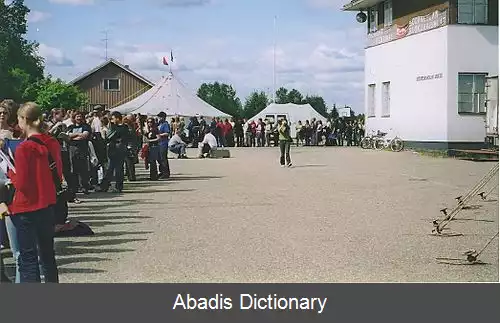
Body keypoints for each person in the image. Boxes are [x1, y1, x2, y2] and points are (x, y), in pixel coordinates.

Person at [7, 102, 61, 283]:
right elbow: (58, 175)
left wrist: (10, 174)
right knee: (47, 255)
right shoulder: (52, 142)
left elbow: (22, 183)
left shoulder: (24, 148)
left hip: (26, 207)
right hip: (47, 204)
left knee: (28, 259)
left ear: (23, 119)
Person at [99, 111, 129, 193]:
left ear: (117, 118)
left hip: (118, 148)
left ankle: (117, 186)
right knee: (111, 168)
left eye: (113, 118)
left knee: (117, 168)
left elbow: (109, 136)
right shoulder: (117, 126)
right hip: (115, 148)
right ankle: (106, 186)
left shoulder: (121, 127)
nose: (111, 120)